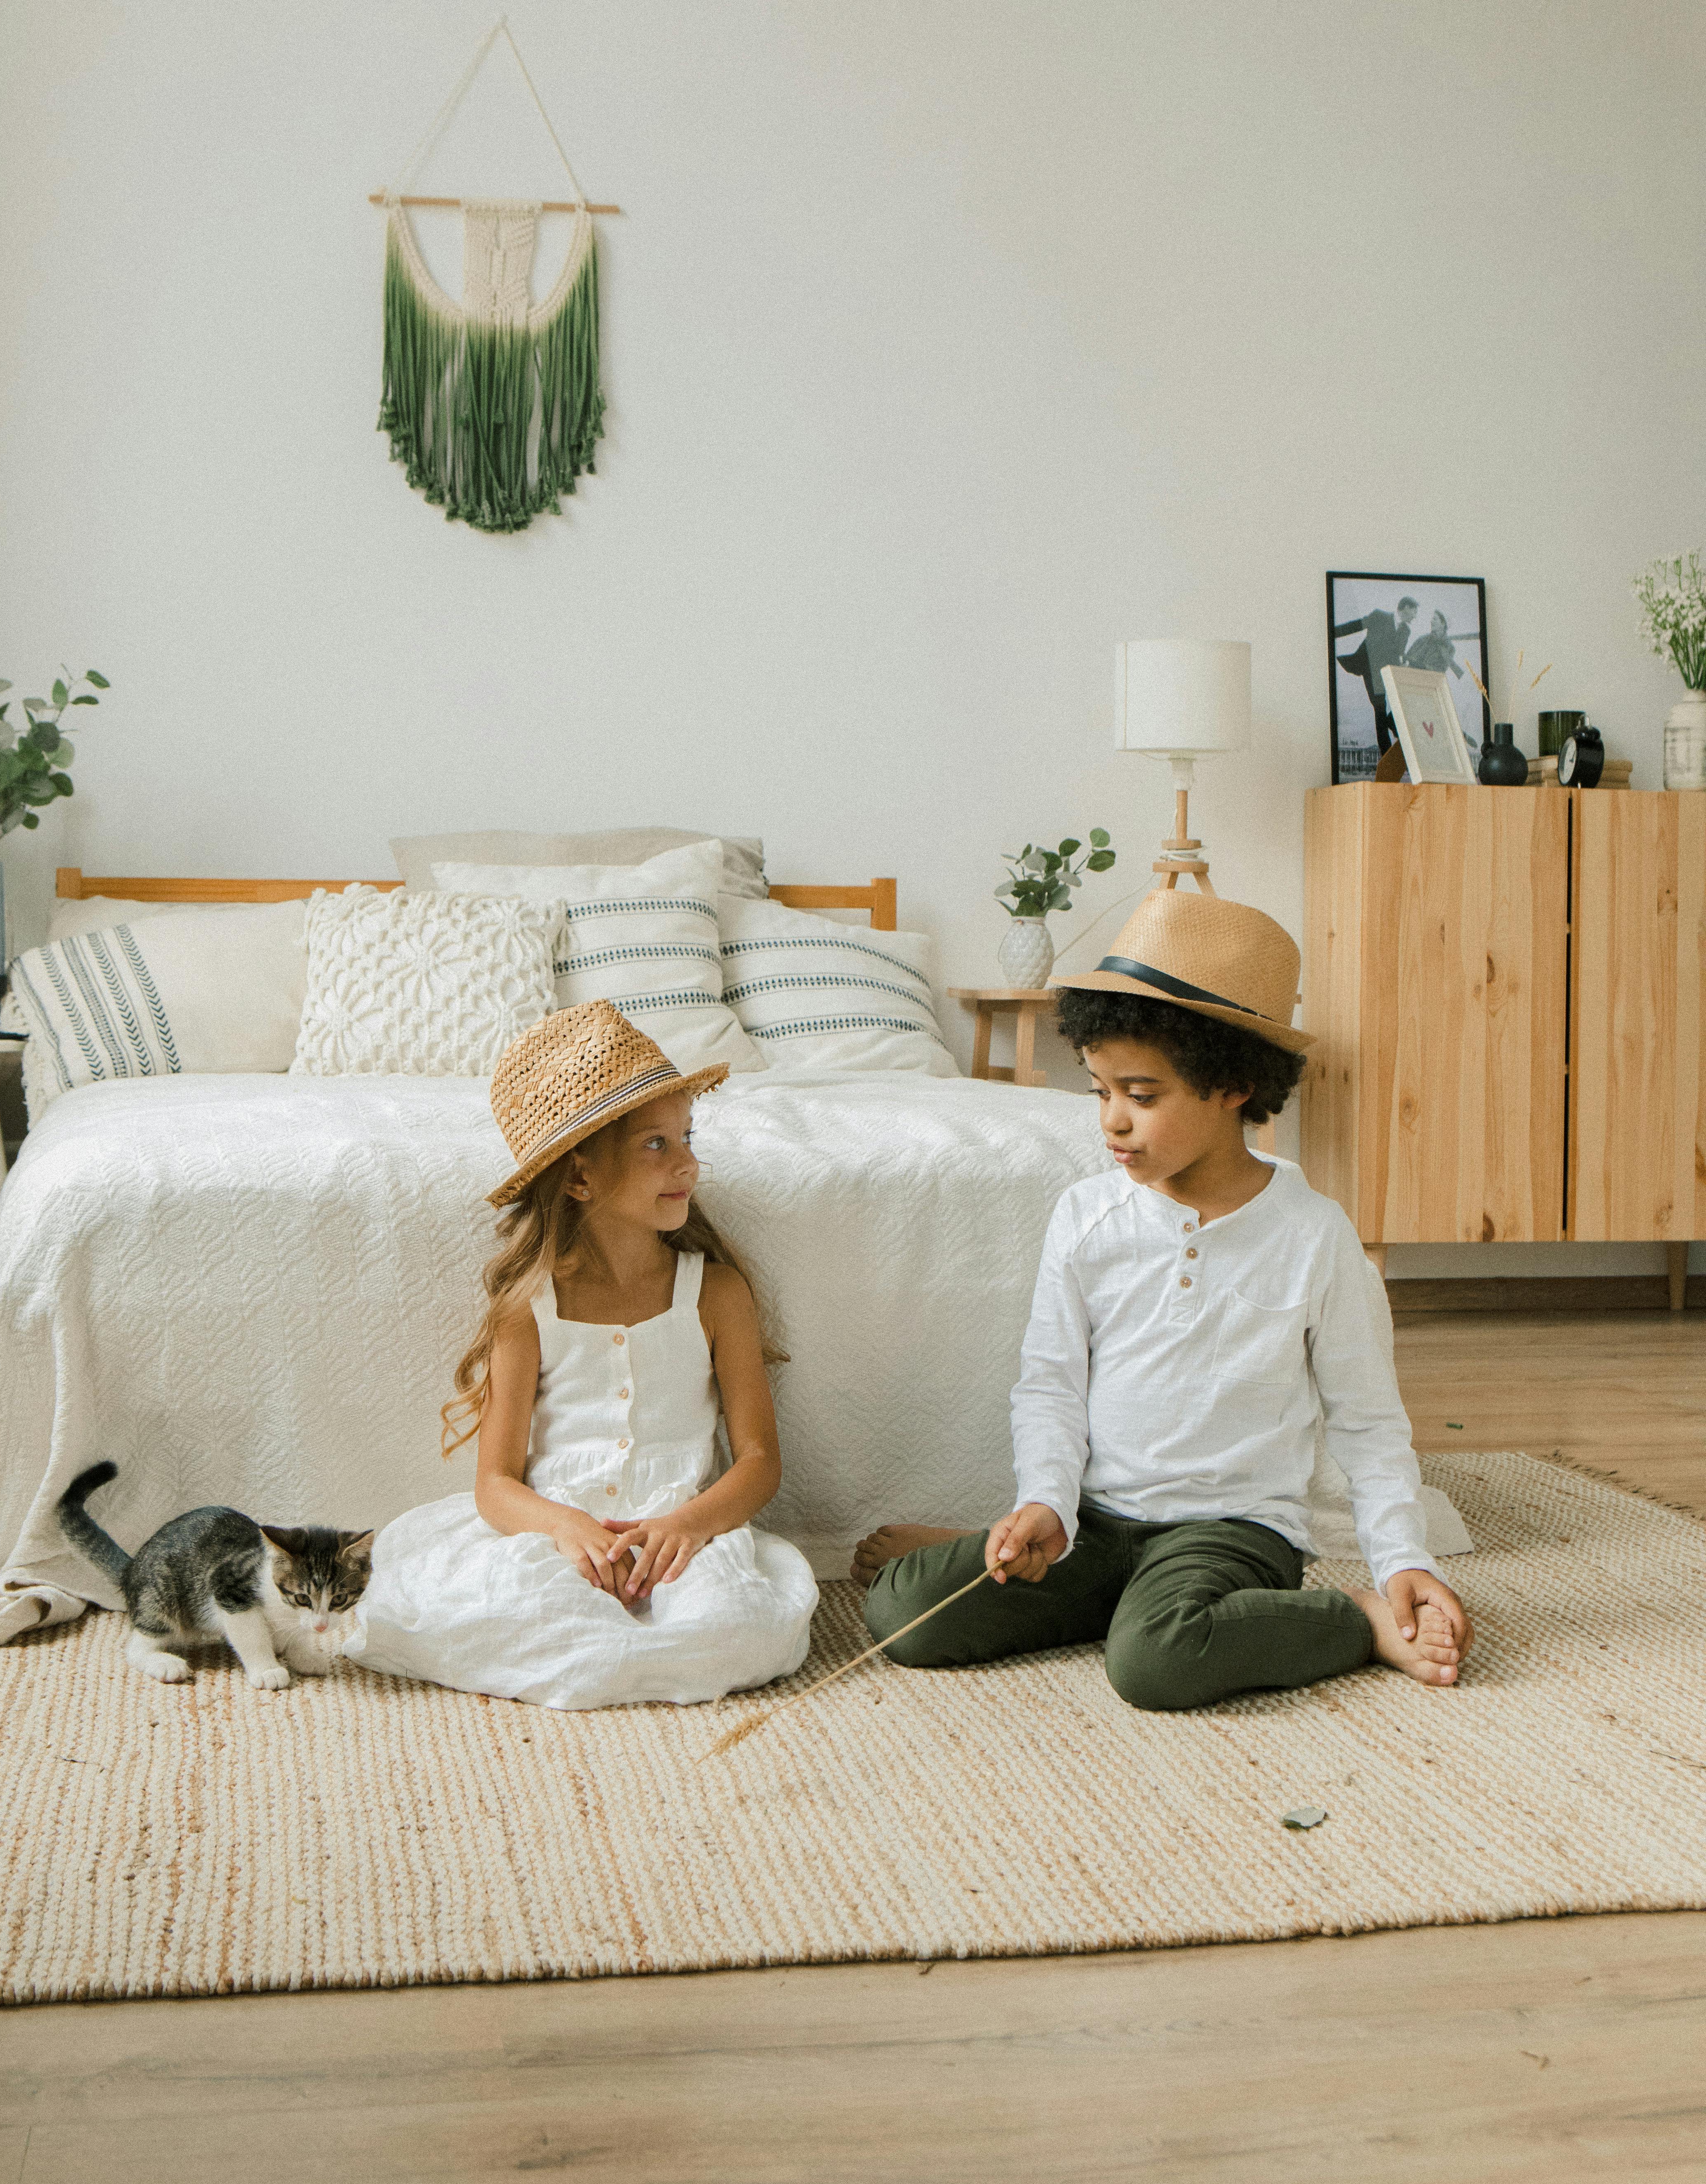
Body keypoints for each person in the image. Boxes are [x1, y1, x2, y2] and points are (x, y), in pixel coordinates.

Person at [854, 892, 1471, 1711]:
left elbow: (1365, 1421)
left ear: (1231, 1084)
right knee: (904, 1611)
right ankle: (1118, 1597)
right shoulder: (1085, 1217)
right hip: (1096, 1521)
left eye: (1140, 1096)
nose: (1111, 1122)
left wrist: (1398, 1565)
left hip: (1230, 1533)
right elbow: (1049, 1384)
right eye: (1100, 1091)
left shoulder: (1313, 1236)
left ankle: (1347, 1621)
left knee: (1156, 1666)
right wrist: (1043, 1501)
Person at [348, 1002, 817, 1708]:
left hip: (681, 1538)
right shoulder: (529, 1311)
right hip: (560, 1536)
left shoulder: (716, 1294)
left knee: (742, 1625)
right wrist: (566, 1529)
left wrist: (685, 1526)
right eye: (655, 1145)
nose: (688, 1162)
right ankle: (606, 1650)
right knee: (516, 1610)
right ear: (578, 1178)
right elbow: (496, 1484)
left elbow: (758, 1460)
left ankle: (639, 1647)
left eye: (686, 1136)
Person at [1334, 593, 1417, 756]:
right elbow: (1356, 626)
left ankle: (1391, 728)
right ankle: (1386, 753)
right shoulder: (1380, 616)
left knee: (1388, 708)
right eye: (1415, 612)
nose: (1416, 616)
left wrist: (1404, 663)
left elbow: (1398, 653)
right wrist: (1331, 632)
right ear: (1406, 608)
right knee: (1380, 709)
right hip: (1369, 668)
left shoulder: (1406, 631)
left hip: (1386, 674)